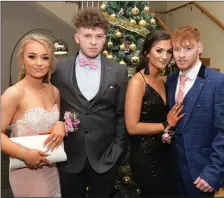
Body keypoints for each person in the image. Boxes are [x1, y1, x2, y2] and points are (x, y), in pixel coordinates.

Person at [51, 7, 128, 198]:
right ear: (77, 38)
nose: (93, 42)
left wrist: (117, 149)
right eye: (87, 35)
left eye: (99, 36)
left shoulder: (118, 71)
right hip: (68, 157)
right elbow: (50, 105)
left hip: (105, 158)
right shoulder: (58, 68)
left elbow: (121, 113)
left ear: (105, 38)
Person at [1, 33, 65, 197]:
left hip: (51, 167)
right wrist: (24, 154)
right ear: (22, 59)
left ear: (51, 62)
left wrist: (60, 125)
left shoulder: (54, 91)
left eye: (44, 58)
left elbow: (55, 122)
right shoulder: (13, 94)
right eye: (32, 57)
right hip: (25, 169)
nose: (39, 63)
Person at [125, 30, 184, 197]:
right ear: (146, 52)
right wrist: (166, 124)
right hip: (145, 157)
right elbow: (132, 127)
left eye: (169, 51)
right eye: (159, 51)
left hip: (165, 153)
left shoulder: (164, 79)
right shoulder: (138, 81)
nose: (165, 56)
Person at [166, 25, 224, 197]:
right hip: (171, 172)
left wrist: (214, 172)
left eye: (188, 48)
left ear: (200, 48)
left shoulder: (218, 82)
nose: (181, 55)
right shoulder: (170, 80)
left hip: (201, 175)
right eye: (176, 49)